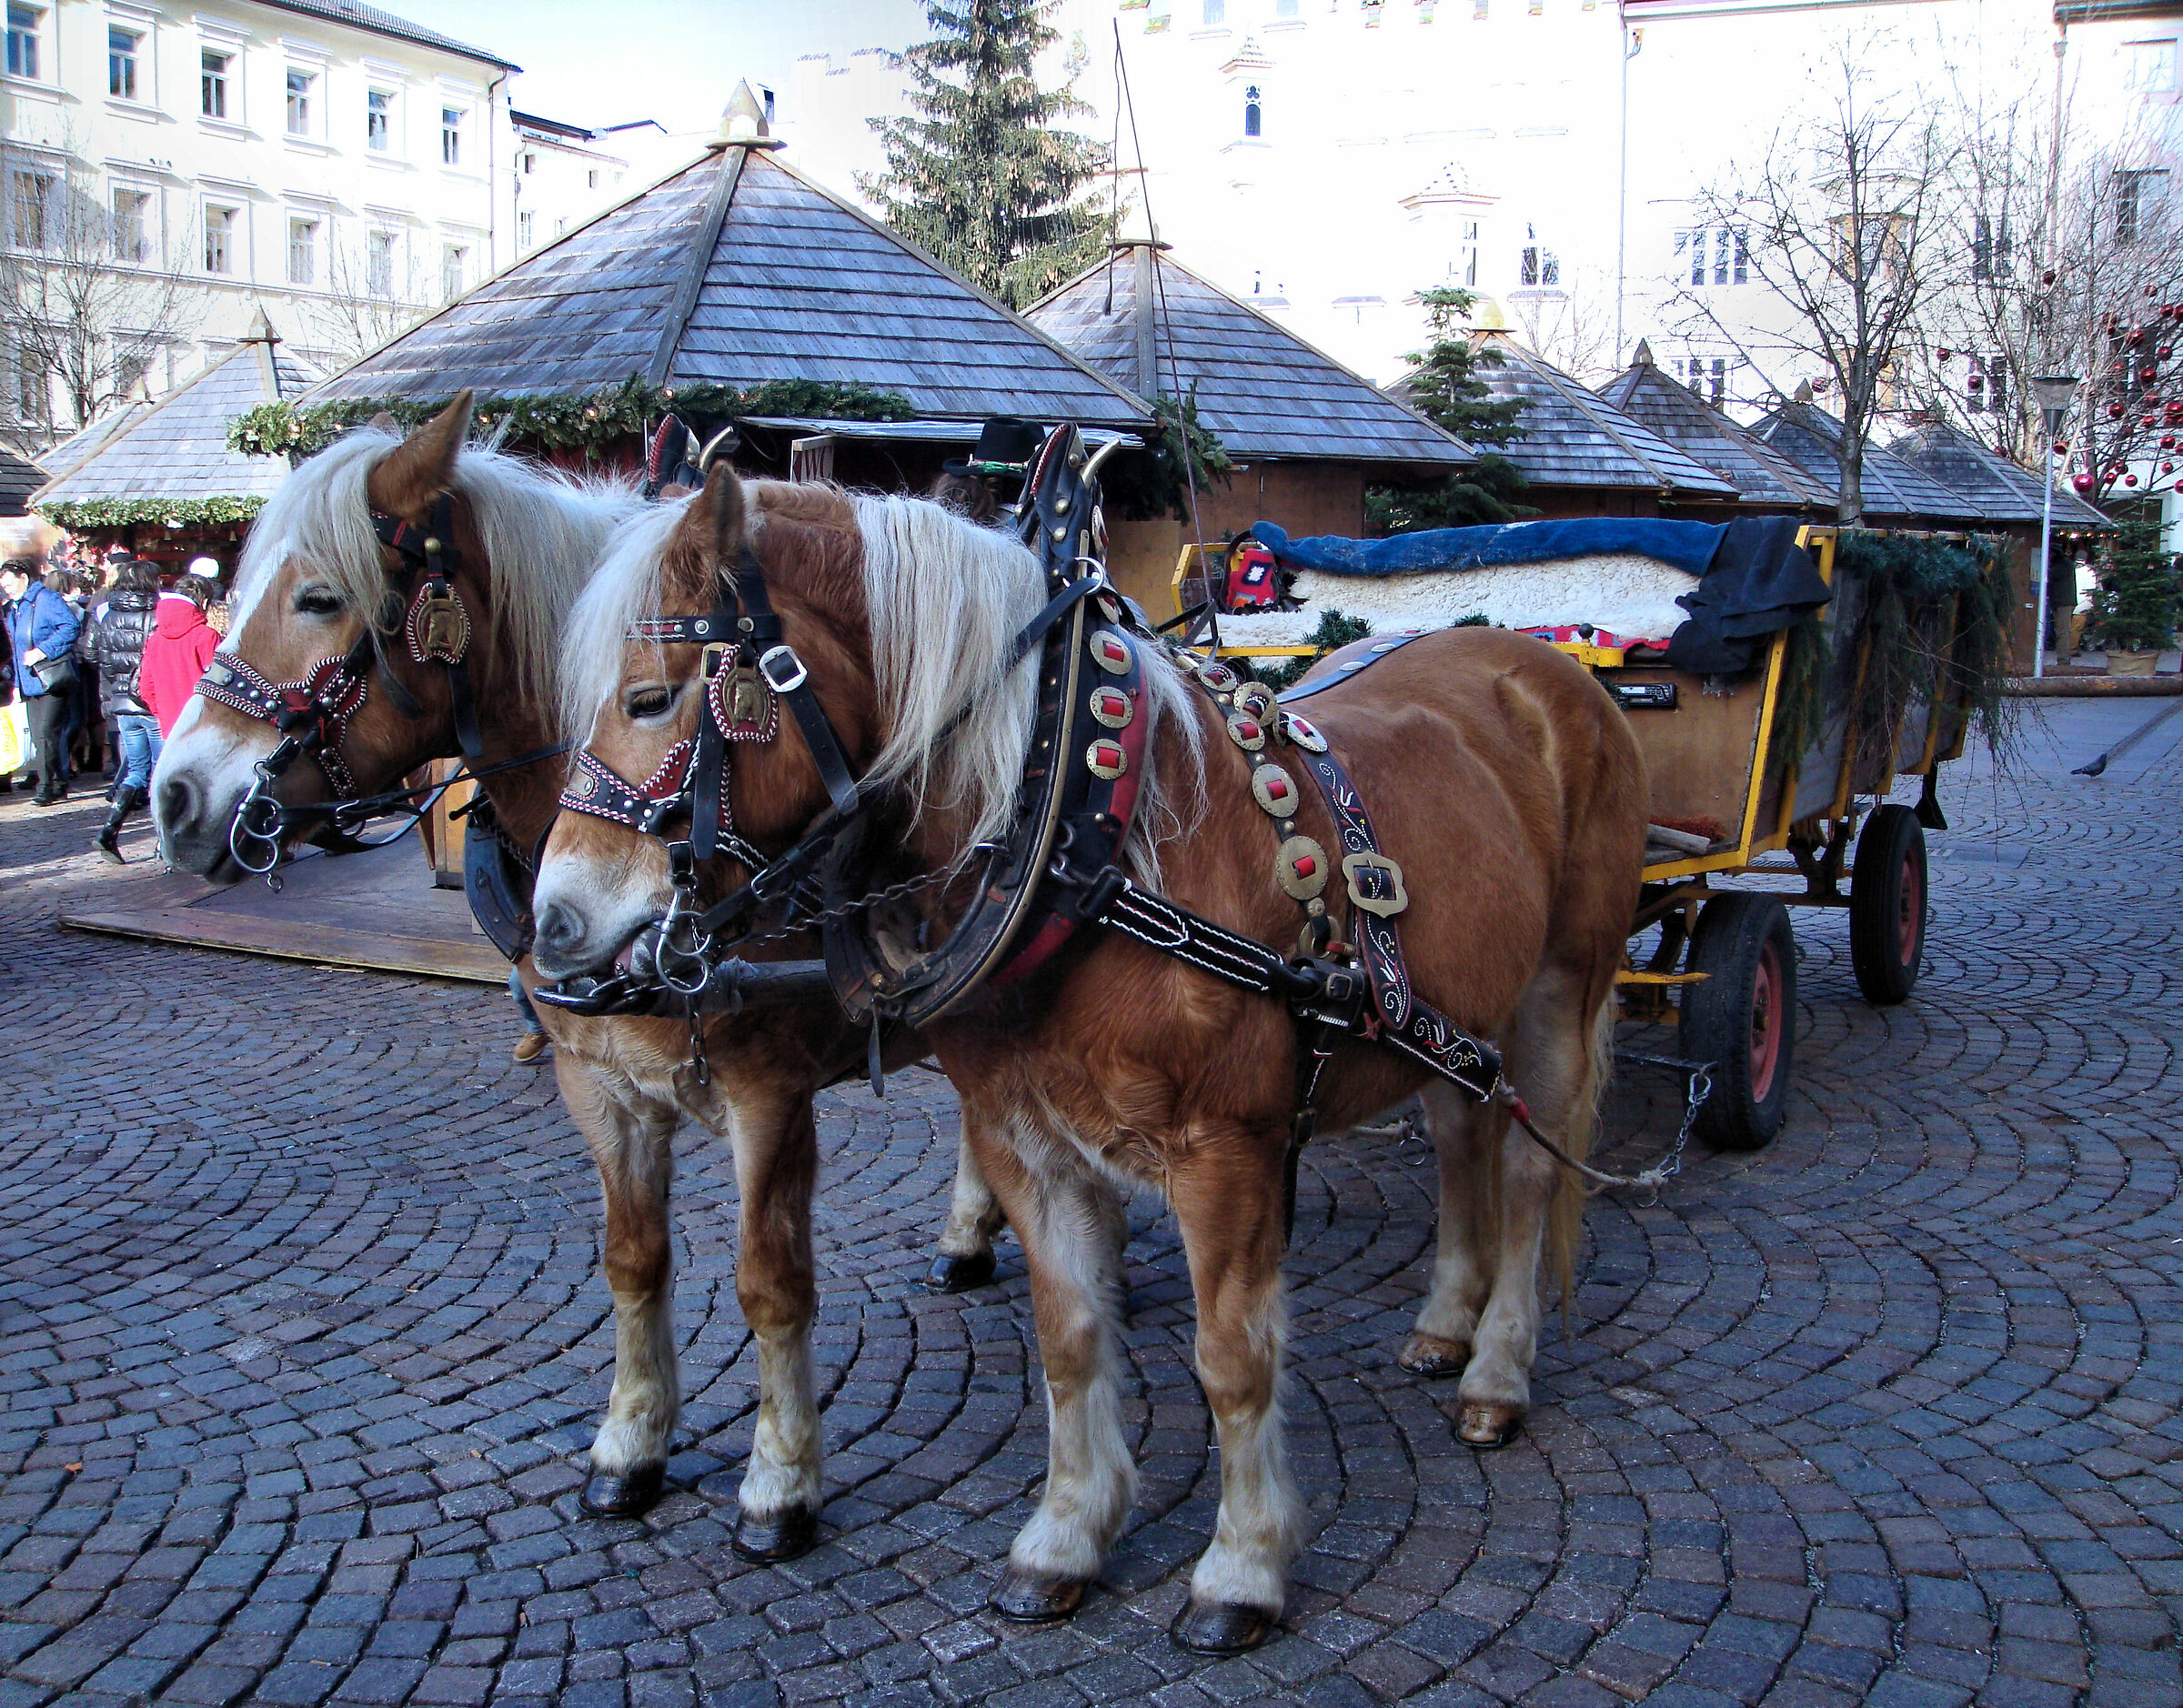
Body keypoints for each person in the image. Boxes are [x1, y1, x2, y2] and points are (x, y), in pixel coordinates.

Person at [92, 561, 160, 861]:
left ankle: (109, 830)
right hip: (150, 702)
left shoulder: (108, 614)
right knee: (160, 770)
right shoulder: (156, 614)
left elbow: (97, 657)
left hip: (122, 703)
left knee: (136, 770)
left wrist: (112, 692)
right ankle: (163, 838)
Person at [1, 560, 82, 805]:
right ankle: (57, 782)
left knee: (47, 732)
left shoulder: (46, 599)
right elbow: (15, 647)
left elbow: (70, 626)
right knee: (40, 735)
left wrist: (43, 650)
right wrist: (15, 681)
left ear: (24, 577)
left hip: (51, 678)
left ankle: (47, 785)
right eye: (3, 586)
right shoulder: (14, 607)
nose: (7, 589)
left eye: (10, 584)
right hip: (29, 681)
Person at [137, 574, 220, 738]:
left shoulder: (155, 639)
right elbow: (219, 684)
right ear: (204, 603)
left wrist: (164, 715)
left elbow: (146, 688)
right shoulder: (206, 636)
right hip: (205, 725)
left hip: (170, 729)